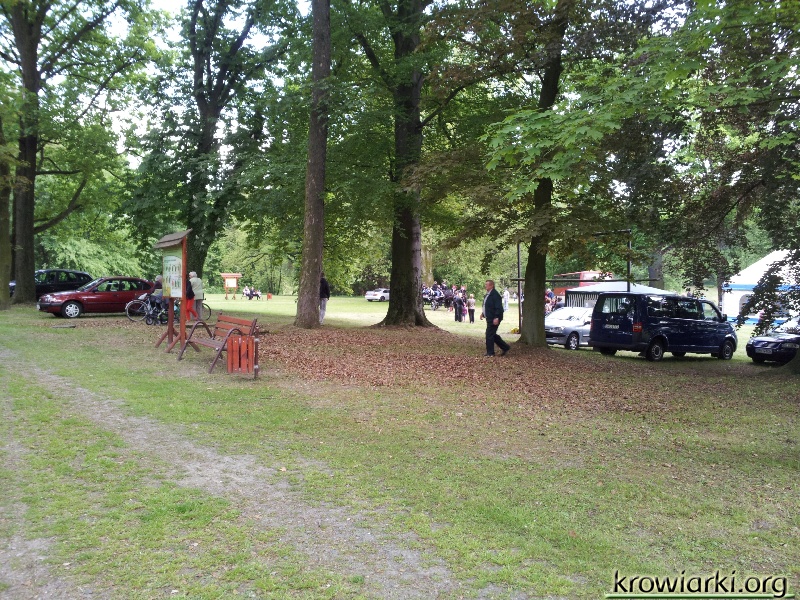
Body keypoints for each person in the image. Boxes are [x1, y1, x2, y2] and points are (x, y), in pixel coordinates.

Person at [480, 279, 510, 357]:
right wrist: (483, 313)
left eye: (487, 285)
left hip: (494, 318)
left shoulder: (495, 295)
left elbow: (498, 308)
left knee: (489, 334)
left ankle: (490, 353)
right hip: (489, 317)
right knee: (492, 334)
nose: (485, 286)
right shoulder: (488, 294)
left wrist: (496, 317)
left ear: (491, 285)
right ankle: (505, 347)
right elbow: (487, 306)